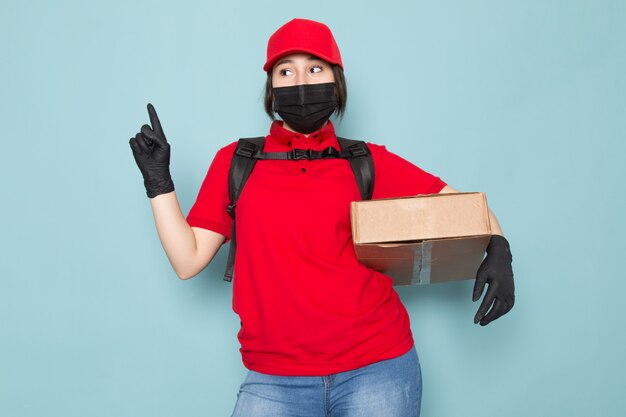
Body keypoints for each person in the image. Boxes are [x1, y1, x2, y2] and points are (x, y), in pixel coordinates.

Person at [129, 18, 515, 417]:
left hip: (378, 368)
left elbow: (463, 208)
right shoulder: (236, 162)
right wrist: (158, 182)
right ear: (271, 88)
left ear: (336, 83)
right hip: (273, 378)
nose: (300, 80)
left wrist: (499, 248)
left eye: (315, 68)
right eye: (286, 70)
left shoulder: (365, 161)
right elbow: (187, 259)